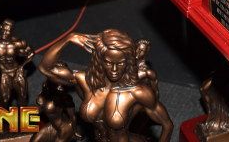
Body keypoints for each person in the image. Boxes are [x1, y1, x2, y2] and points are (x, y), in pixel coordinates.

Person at [38, 29, 172, 142]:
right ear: (100, 61)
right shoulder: (86, 81)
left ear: (128, 62)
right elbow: (45, 68)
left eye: (120, 63)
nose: (114, 69)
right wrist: (69, 38)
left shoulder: (137, 92)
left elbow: (167, 125)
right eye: (108, 62)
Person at [0, 19, 35, 108]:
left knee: (23, 97)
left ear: (12, 31)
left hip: (17, 72)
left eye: (8, 31)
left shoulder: (17, 43)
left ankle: (23, 116)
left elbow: (31, 53)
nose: (5, 33)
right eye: (4, 30)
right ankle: (0, 115)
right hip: (5, 73)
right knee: (5, 99)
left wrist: (22, 67)